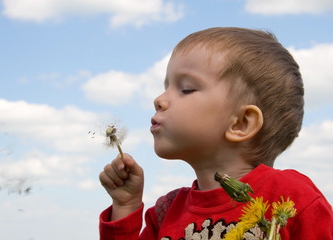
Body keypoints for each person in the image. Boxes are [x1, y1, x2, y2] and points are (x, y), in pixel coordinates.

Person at [98, 27, 333, 240]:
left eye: (186, 89)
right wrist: (125, 207)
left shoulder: (291, 199)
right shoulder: (166, 212)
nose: (159, 100)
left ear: (241, 123)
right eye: (166, 86)